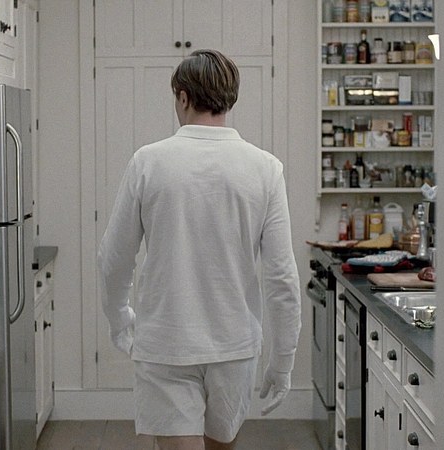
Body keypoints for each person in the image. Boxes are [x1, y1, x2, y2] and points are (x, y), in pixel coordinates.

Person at [98, 49, 301, 450]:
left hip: (166, 341)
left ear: (183, 96)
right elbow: (282, 278)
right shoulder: (265, 168)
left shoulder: (148, 162)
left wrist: (120, 319)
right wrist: (282, 361)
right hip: (235, 345)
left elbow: (114, 257)